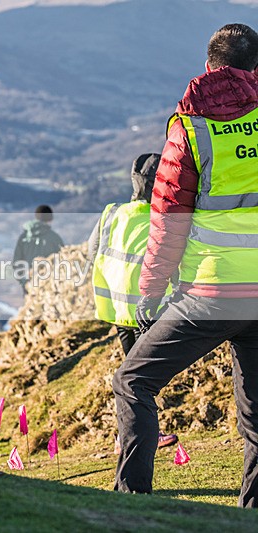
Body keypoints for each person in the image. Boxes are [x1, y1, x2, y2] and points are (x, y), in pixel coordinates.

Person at [112, 24, 258, 507]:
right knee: (256, 416)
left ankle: (132, 502)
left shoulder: (191, 125)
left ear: (209, 65)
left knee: (133, 380)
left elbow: (168, 221)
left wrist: (149, 295)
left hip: (212, 294)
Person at [88, 153, 178, 454]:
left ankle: (126, 436)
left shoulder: (113, 212)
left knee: (132, 374)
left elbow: (92, 254)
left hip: (116, 309)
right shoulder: (162, 216)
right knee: (141, 380)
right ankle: (136, 439)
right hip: (146, 309)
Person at [13, 205, 64, 293]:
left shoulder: (23, 237)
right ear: (50, 219)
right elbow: (63, 261)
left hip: (28, 283)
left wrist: (23, 281)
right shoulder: (55, 238)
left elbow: (16, 261)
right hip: (49, 286)